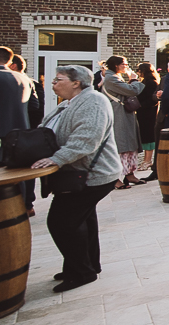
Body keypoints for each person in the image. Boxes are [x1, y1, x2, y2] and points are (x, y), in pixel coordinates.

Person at [31, 65, 122, 292]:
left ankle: (82, 272)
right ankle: (85, 265)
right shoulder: (67, 104)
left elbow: (87, 139)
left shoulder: (93, 101)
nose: (52, 83)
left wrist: (57, 158)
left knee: (62, 222)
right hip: (82, 174)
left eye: (58, 79)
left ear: (76, 83)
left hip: (93, 174)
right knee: (82, 219)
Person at [0, 46, 35, 212]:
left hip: (0, 132)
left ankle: (12, 209)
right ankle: (27, 205)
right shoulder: (25, 78)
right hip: (23, 131)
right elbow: (34, 106)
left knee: (5, 175)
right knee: (22, 171)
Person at [101, 56, 146, 189]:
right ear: (116, 65)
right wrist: (133, 79)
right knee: (120, 145)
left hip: (124, 114)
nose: (126, 66)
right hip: (118, 115)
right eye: (124, 64)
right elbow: (132, 90)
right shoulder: (111, 79)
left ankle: (129, 174)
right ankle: (115, 178)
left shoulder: (114, 77)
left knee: (129, 144)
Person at [135, 62, 160, 171]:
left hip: (148, 113)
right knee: (145, 136)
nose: (138, 72)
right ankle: (146, 159)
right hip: (143, 113)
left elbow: (152, 100)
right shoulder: (145, 82)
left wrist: (140, 105)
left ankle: (148, 160)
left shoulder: (151, 83)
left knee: (148, 136)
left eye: (139, 70)